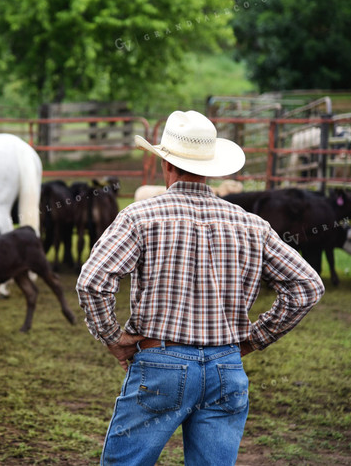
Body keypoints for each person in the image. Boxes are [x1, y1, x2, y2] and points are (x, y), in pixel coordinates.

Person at [76, 110, 325, 466]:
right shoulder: (251, 224)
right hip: (226, 367)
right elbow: (308, 286)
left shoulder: (140, 216)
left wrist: (113, 338)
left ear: (166, 163)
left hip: (161, 361)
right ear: (210, 166)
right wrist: (254, 339)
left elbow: (92, 282)